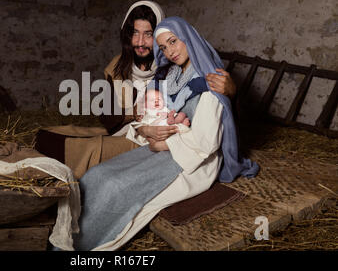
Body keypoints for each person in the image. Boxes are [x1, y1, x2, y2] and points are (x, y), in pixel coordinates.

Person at [64, 16, 259, 251]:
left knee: (115, 186)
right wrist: (147, 129)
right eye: (164, 47)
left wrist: (162, 145)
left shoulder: (210, 81)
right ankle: (66, 238)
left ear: (189, 38)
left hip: (192, 160)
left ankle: (85, 247)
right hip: (158, 146)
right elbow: (146, 114)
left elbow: (205, 143)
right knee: (96, 176)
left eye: (173, 41)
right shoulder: (167, 76)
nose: (170, 51)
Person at [34, 1, 237, 179]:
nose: (140, 42)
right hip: (129, 129)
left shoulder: (169, 66)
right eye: (135, 33)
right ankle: (41, 160)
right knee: (56, 135)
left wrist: (230, 90)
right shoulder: (116, 67)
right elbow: (107, 117)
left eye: (148, 34)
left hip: (151, 134)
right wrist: (134, 116)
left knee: (88, 148)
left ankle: (52, 170)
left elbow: (211, 107)